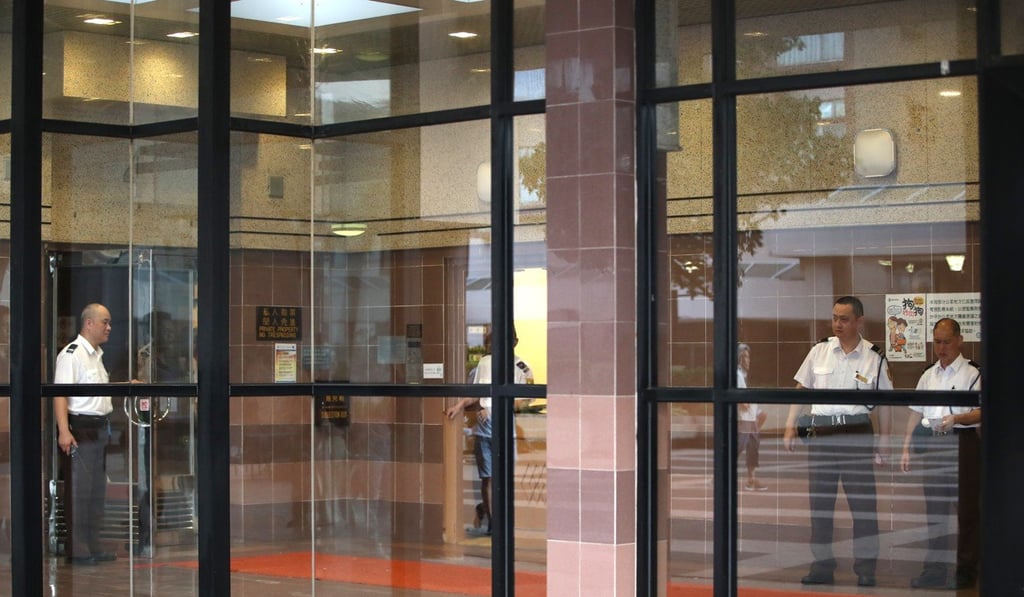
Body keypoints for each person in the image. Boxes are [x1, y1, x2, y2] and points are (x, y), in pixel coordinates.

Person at [783, 296, 893, 588]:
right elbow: (801, 388)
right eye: (834, 318)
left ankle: (866, 568)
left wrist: (884, 440)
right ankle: (822, 566)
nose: (838, 324)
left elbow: (885, 403)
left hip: (856, 432)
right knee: (820, 505)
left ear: (859, 321)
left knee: (863, 505)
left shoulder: (874, 357)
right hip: (821, 432)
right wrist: (790, 425)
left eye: (844, 319)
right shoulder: (820, 350)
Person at [900, 318, 981, 590]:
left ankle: (966, 571)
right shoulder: (929, 375)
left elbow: (981, 411)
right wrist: (906, 447)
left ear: (959, 341)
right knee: (935, 512)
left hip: (962, 443)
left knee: (966, 512)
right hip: (934, 445)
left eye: (947, 342)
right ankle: (934, 570)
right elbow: (915, 412)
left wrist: (956, 418)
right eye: (937, 342)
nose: (941, 348)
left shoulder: (973, 373)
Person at [447, 328, 533, 534]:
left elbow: (525, 401)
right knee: (488, 477)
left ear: (515, 342)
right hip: (485, 430)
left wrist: (496, 406)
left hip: (506, 429)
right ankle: (493, 521)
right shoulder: (485, 363)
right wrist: (461, 405)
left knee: (505, 476)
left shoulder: (522, 368)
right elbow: (477, 393)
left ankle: (504, 519)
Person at [54, 303, 117, 565]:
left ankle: (93, 544)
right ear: (88, 323)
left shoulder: (97, 355)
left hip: (99, 430)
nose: (109, 327)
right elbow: (60, 394)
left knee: (96, 492)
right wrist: (64, 431)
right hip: (80, 429)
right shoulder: (72, 354)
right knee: (79, 491)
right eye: (104, 322)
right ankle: (78, 549)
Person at [736, 343, 768, 491]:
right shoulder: (737, 375)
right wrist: (752, 409)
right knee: (738, 448)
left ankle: (751, 480)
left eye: (748, 357)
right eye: (745, 357)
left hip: (750, 418)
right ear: (739, 358)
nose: (748, 360)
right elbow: (743, 401)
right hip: (744, 419)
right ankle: (720, 475)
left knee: (752, 449)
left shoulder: (743, 376)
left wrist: (757, 413)